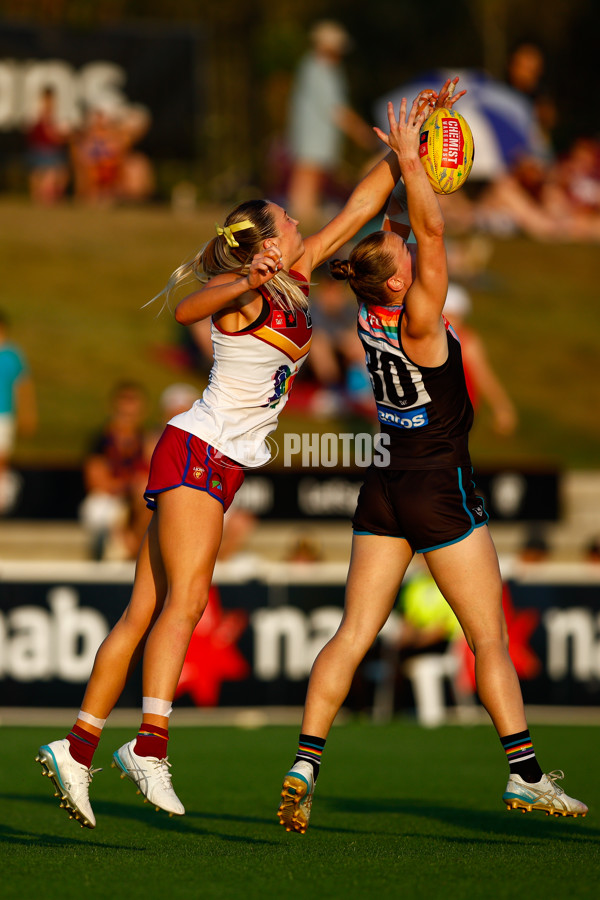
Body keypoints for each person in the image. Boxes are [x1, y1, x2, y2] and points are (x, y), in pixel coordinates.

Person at [36, 97, 418, 830]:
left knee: (145, 610)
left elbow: (362, 203)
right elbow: (187, 310)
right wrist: (248, 278)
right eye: (288, 220)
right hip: (200, 452)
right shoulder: (247, 296)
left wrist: (407, 149)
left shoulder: (298, 274)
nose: (302, 224)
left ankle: (77, 746)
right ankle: (148, 745)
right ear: (265, 240)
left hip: (208, 457)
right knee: (186, 602)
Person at [277, 89, 587, 834]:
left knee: (353, 632)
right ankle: (525, 776)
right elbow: (433, 225)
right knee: (487, 637)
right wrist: (417, 167)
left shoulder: (367, 305)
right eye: (408, 256)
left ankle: (303, 763)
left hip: (383, 483)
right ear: (396, 279)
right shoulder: (418, 314)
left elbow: (369, 210)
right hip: (438, 484)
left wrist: (402, 150)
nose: (417, 250)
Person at [286, 20, 379, 226]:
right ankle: (302, 213)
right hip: (313, 132)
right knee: (307, 171)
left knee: (313, 171)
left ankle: (304, 213)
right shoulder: (317, 68)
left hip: (319, 133)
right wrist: (361, 131)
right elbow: (336, 109)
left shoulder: (323, 68)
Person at [79, 380, 152, 561]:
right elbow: (96, 483)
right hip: (110, 500)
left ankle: (135, 550)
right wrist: (129, 485)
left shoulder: (147, 441)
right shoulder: (101, 440)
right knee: (99, 510)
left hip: (136, 503)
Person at [0, 312, 37, 514]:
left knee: (2, 457)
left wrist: (28, 413)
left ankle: (3, 498)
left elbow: (23, 386)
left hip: (4, 413)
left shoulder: (12, 355)